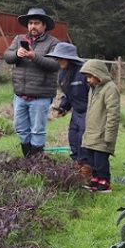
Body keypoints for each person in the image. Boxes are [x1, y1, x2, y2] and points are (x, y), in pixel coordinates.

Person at [3, 7, 60, 157]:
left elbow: (55, 64)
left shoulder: (53, 43)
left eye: (36, 23)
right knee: (21, 128)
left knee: (37, 130)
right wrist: (16, 53)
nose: (32, 26)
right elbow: (7, 56)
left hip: (40, 95)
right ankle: (28, 159)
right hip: (20, 94)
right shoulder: (19, 39)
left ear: (44, 25)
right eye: (30, 23)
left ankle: (36, 163)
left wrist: (34, 56)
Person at [45, 42, 89, 170]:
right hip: (76, 112)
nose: (58, 61)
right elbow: (68, 94)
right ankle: (77, 166)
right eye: (57, 58)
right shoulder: (62, 74)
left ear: (70, 58)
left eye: (61, 58)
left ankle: (87, 169)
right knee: (73, 139)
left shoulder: (84, 72)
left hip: (89, 111)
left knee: (84, 140)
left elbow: (95, 94)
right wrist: (64, 107)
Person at [79, 59, 120, 193]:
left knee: (101, 160)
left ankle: (105, 182)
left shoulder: (110, 89)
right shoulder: (93, 89)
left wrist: (109, 135)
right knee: (93, 160)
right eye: (87, 78)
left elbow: (113, 114)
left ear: (98, 74)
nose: (88, 80)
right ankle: (96, 180)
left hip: (102, 133)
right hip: (92, 132)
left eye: (90, 77)